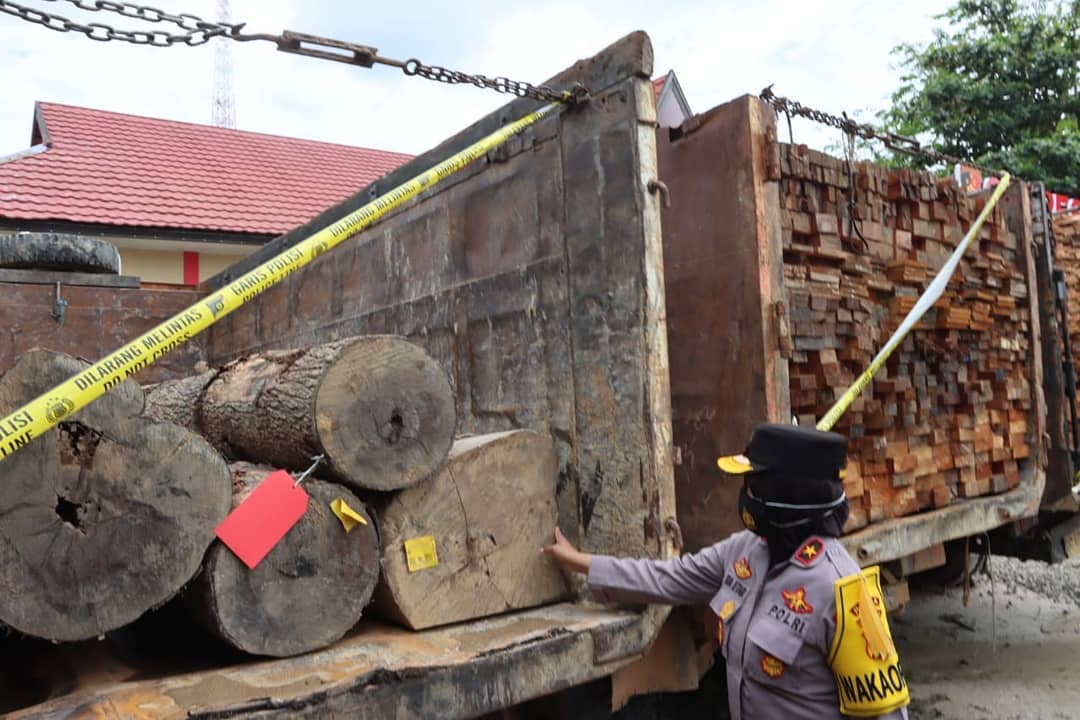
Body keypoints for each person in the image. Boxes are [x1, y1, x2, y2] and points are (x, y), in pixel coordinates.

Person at [542, 422, 910, 720]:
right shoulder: (747, 551)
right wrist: (581, 562)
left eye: (754, 482)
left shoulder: (843, 590)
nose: (745, 493)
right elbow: (670, 578)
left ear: (787, 495)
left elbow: (888, 715)